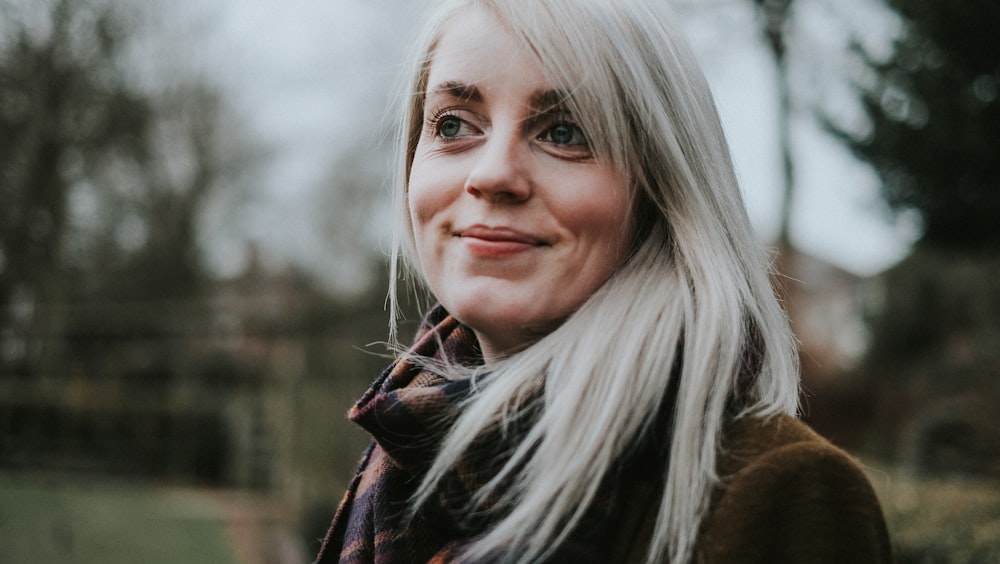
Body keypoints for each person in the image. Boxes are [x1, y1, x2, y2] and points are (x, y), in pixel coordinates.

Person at [316, 0, 893, 562]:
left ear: (663, 189)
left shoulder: (778, 492)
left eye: (564, 132)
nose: (492, 174)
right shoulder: (405, 451)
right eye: (453, 124)